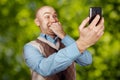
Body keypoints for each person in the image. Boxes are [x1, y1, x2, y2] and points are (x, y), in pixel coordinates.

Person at [23, 6, 104, 80]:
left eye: (55, 16)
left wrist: (63, 35)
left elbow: (86, 60)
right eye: (47, 17)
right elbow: (44, 69)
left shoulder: (67, 42)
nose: (53, 20)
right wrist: (81, 44)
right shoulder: (30, 47)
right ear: (37, 22)